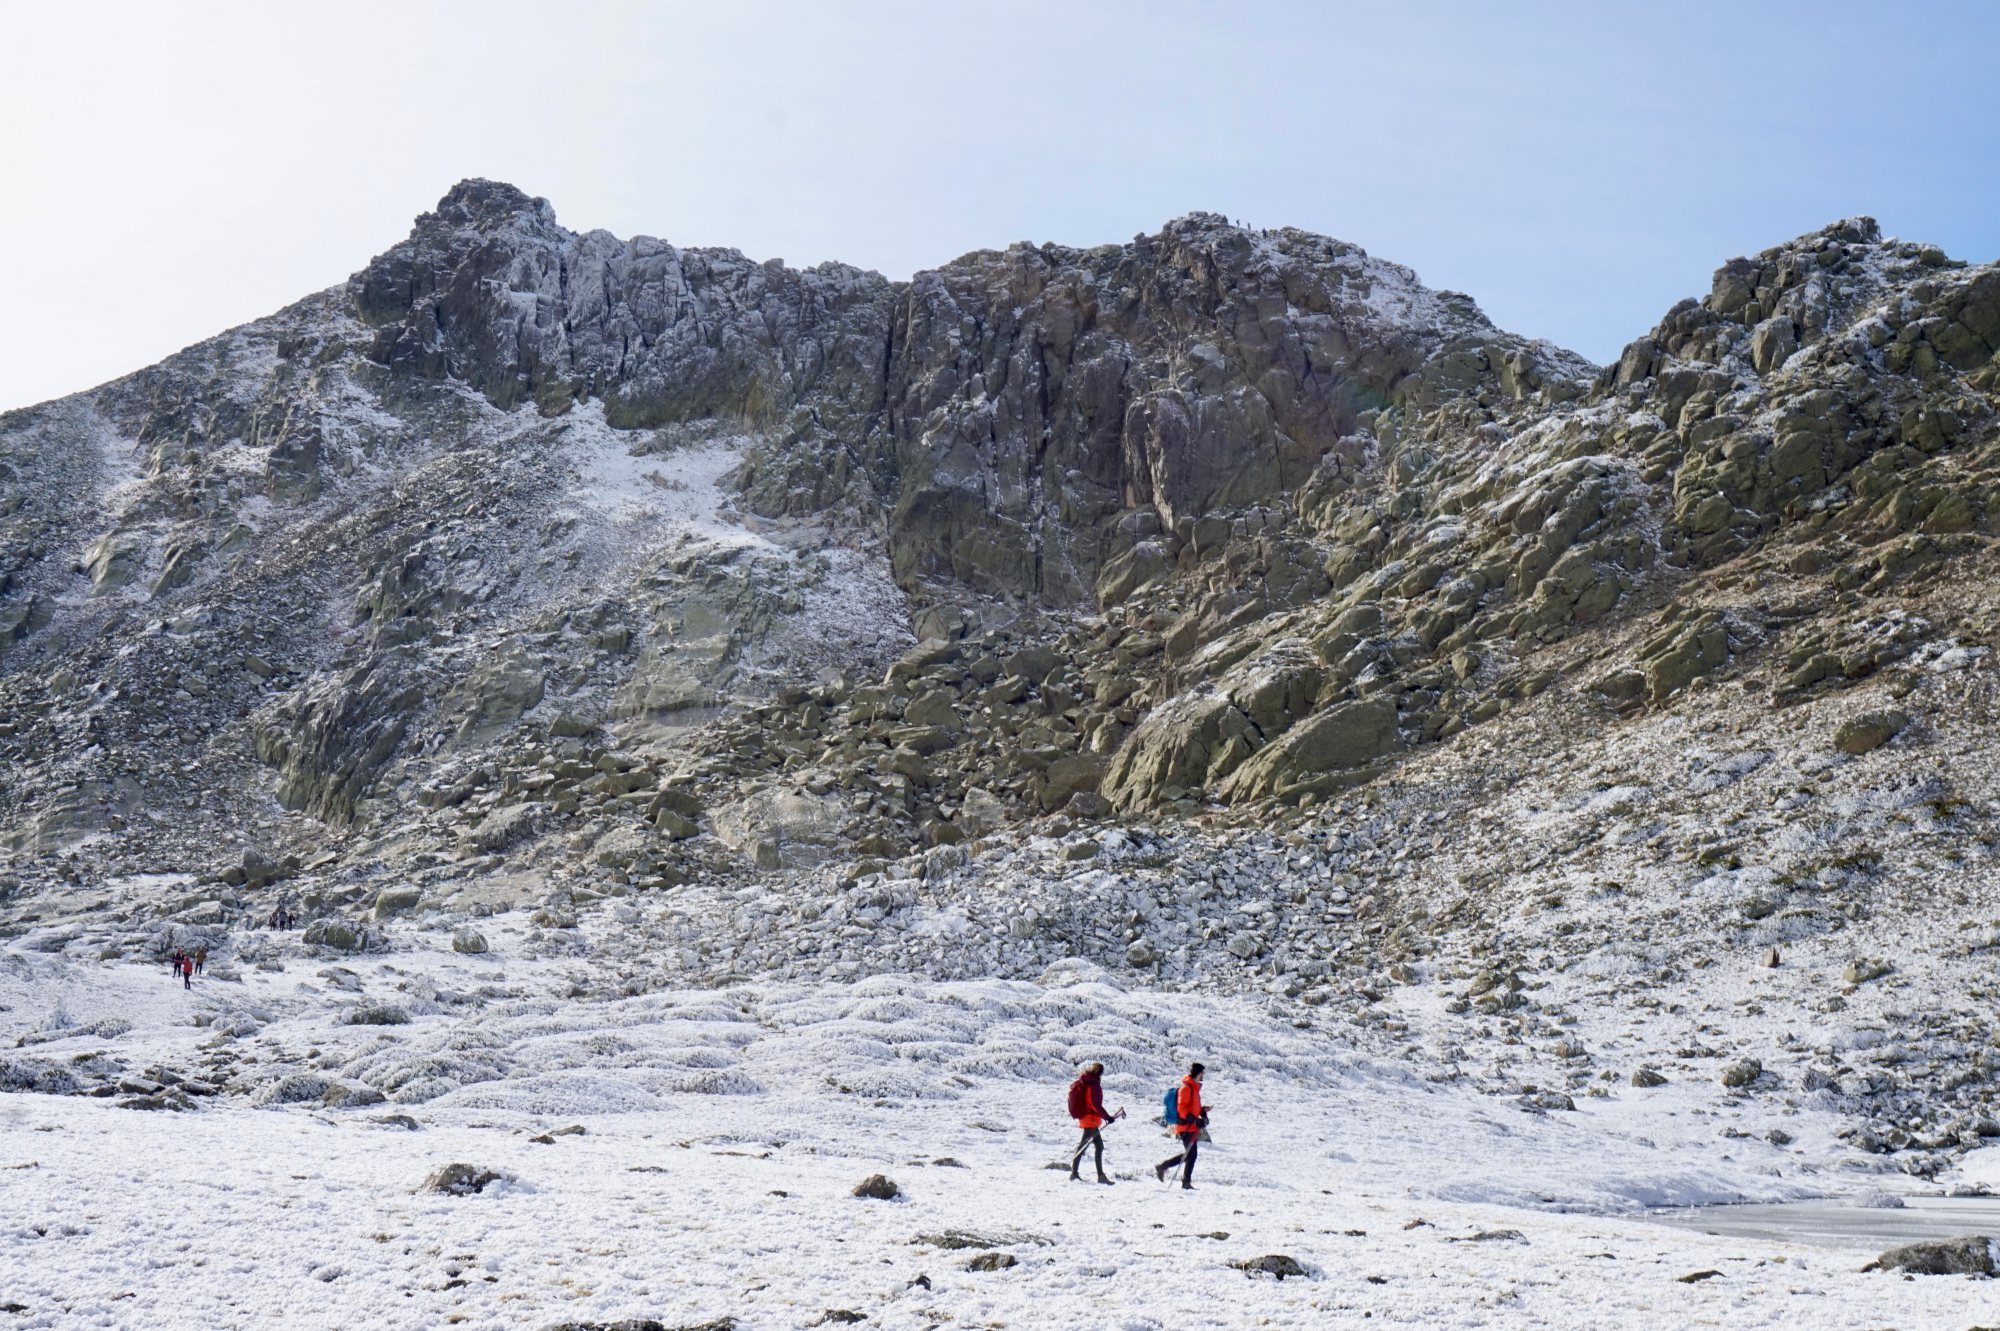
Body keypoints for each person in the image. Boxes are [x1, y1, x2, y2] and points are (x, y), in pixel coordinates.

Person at [1066, 1063, 1124, 1184]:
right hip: (1090, 1119)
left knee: (1097, 1146)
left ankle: (1095, 1175)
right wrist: (1107, 1117)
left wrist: (1106, 1117)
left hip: (1087, 1117)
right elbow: (1095, 1105)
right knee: (1085, 1146)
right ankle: (1077, 1174)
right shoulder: (1094, 1085)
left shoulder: (1086, 1081)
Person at [1155, 1062, 1208, 1190]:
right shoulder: (1186, 1089)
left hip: (1191, 1126)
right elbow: (1182, 1109)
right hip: (1185, 1127)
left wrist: (1202, 1111)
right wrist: (1195, 1120)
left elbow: (1192, 1108)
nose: (1203, 1075)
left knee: (1191, 1155)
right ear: (1198, 1073)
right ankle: (1164, 1167)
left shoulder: (1194, 1089)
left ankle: (1185, 1181)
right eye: (1202, 1073)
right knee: (1190, 1155)